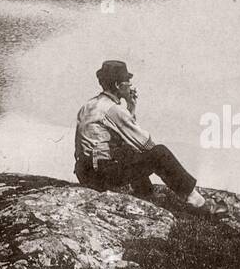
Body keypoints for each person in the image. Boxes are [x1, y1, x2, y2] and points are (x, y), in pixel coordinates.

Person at [74, 60, 206, 208]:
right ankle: (195, 199)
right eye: (128, 81)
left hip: (85, 172)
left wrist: (130, 107)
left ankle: (145, 193)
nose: (131, 85)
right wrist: (130, 105)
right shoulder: (113, 109)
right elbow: (145, 143)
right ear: (118, 85)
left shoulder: (90, 105)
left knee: (128, 151)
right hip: (101, 175)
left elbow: (122, 135)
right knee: (159, 153)